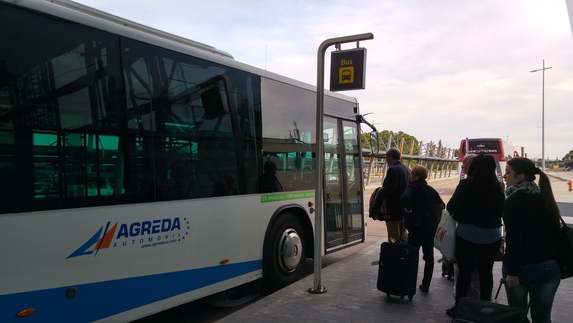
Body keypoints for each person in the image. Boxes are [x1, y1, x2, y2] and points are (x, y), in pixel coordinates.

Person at [502, 157, 561, 322]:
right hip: (549, 268)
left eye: (508, 173)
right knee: (542, 318)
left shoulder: (513, 201)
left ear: (520, 176)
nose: (505, 177)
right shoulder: (544, 196)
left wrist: (512, 271)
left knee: (517, 316)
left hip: (522, 268)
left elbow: (514, 238)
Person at [446, 153, 504, 317]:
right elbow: (501, 210)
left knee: (465, 273)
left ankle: (460, 308)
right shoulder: (498, 187)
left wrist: (463, 217)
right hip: (492, 236)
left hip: (467, 235)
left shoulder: (466, 185)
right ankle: (485, 309)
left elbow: (451, 207)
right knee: (486, 273)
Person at [401, 165, 445, 292]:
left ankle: (409, 283)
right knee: (429, 257)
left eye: (411, 174)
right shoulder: (431, 190)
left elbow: (404, 197)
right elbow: (442, 205)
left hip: (416, 227)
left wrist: (408, 209)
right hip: (430, 227)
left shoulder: (412, 188)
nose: (409, 176)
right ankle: (426, 284)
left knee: (412, 255)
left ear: (416, 177)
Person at [378, 148, 410, 242]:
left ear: (390, 157)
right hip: (403, 209)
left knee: (393, 236)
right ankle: (404, 253)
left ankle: (394, 254)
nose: (386, 160)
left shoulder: (392, 169)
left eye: (386, 158)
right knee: (402, 235)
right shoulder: (406, 168)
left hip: (393, 210)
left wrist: (379, 191)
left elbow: (390, 190)